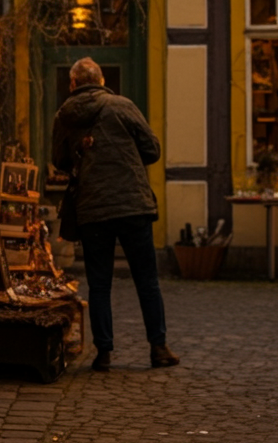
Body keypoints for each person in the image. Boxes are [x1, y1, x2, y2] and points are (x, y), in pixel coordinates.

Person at [51, 57, 178, 371]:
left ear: (73, 84)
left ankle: (104, 353)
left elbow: (59, 161)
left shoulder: (65, 115)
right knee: (147, 281)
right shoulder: (122, 106)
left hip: (93, 208)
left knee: (100, 284)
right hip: (133, 203)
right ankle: (158, 348)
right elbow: (152, 149)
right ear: (102, 81)